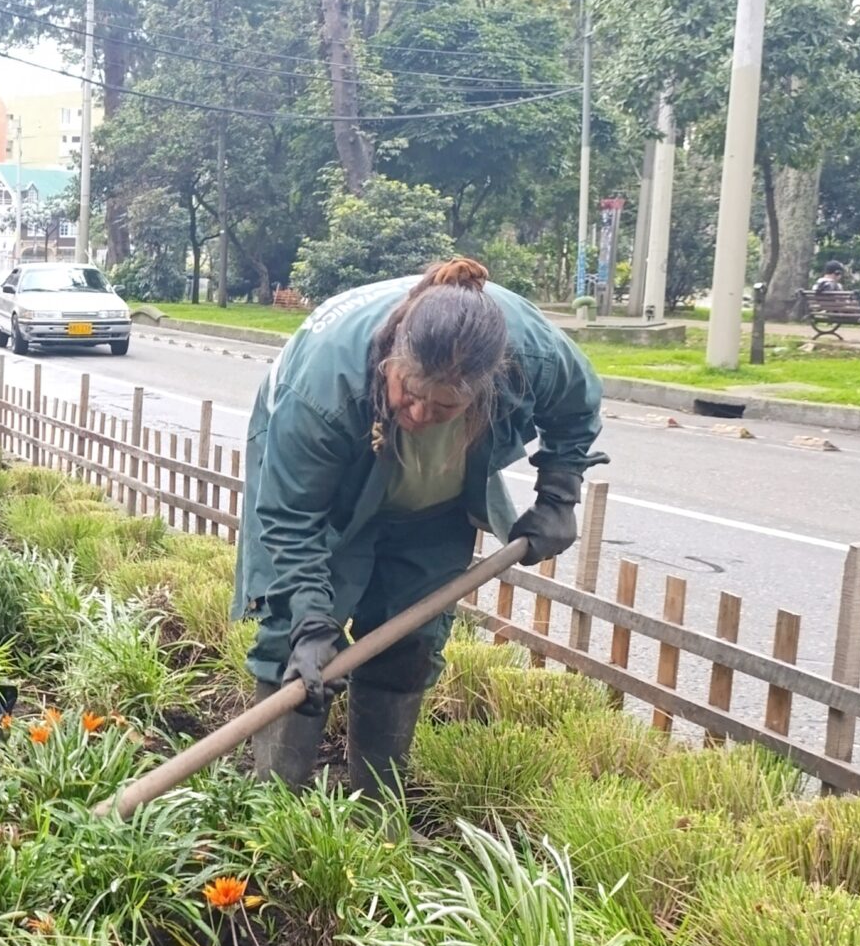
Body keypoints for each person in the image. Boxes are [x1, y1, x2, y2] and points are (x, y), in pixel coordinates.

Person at [235, 257, 605, 795]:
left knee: (409, 635)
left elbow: (577, 405)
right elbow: (293, 517)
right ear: (391, 358)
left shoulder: (529, 354)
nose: (417, 413)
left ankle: (375, 803)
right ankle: (274, 802)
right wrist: (312, 625)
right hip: (328, 491)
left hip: (434, 502)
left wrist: (559, 493)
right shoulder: (325, 388)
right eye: (407, 391)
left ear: (483, 388)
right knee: (291, 641)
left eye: (444, 405)